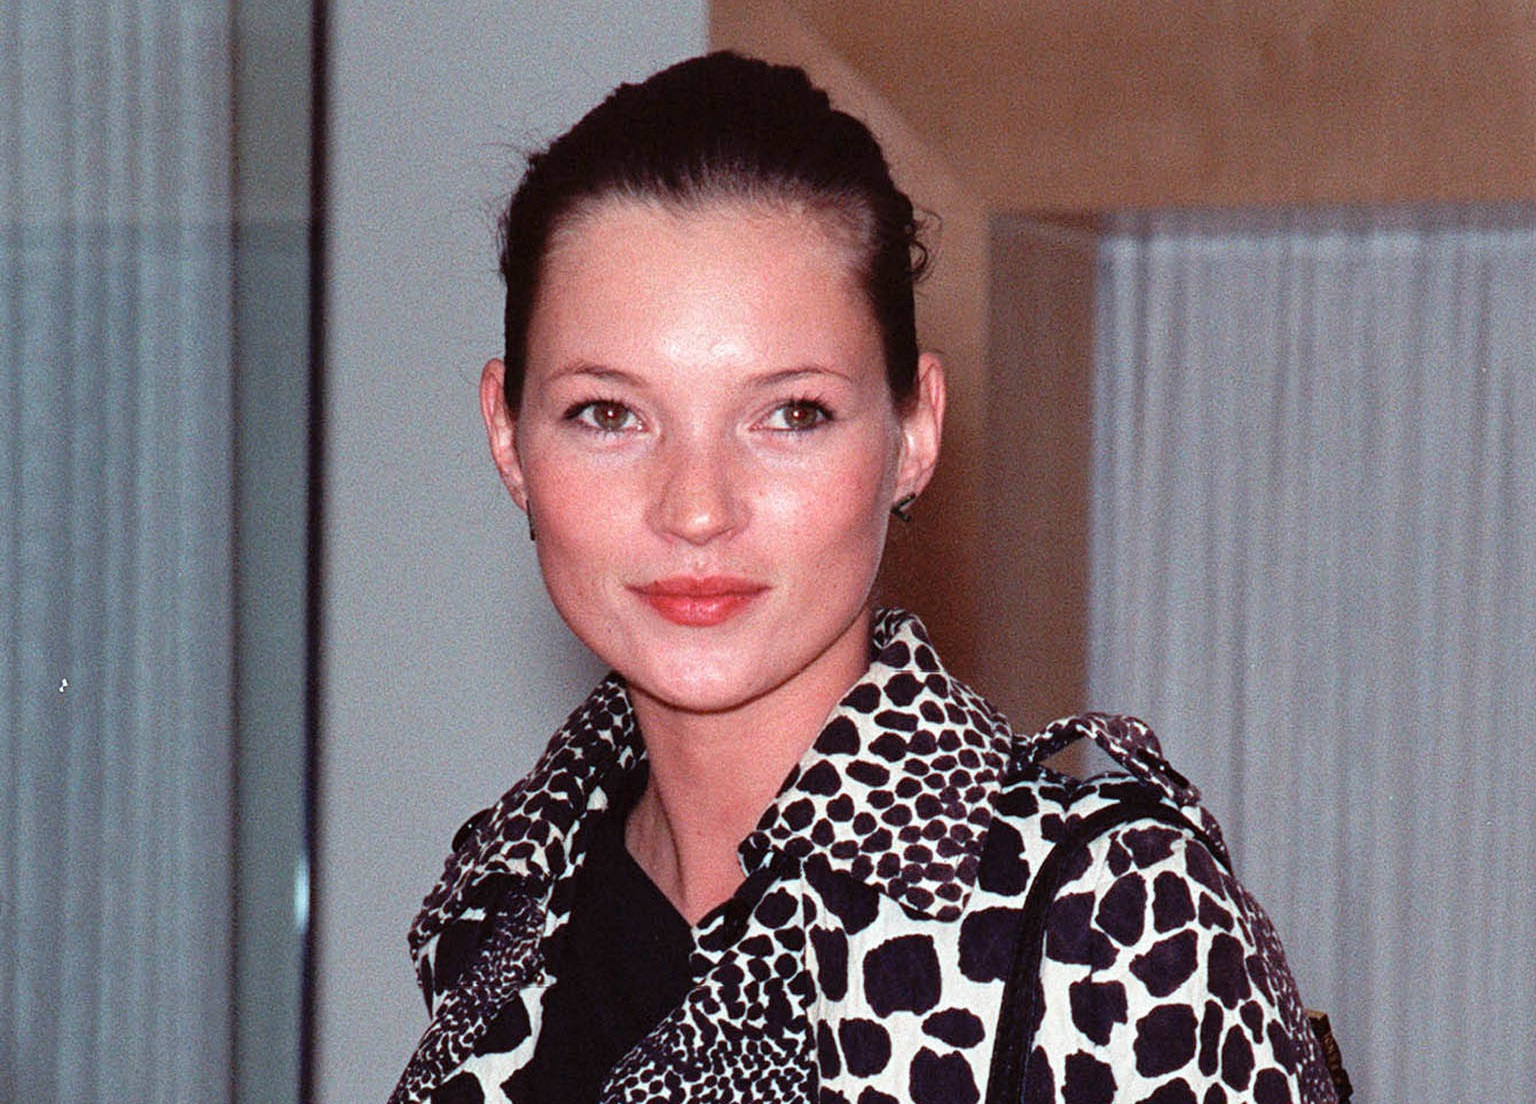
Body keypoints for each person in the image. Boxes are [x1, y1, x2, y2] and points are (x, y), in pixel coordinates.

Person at [390, 52, 1338, 1104]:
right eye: (608, 415)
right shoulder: (509, 904)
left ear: (914, 432)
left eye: (790, 414)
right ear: (508, 438)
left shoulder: (1102, 922)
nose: (695, 508)